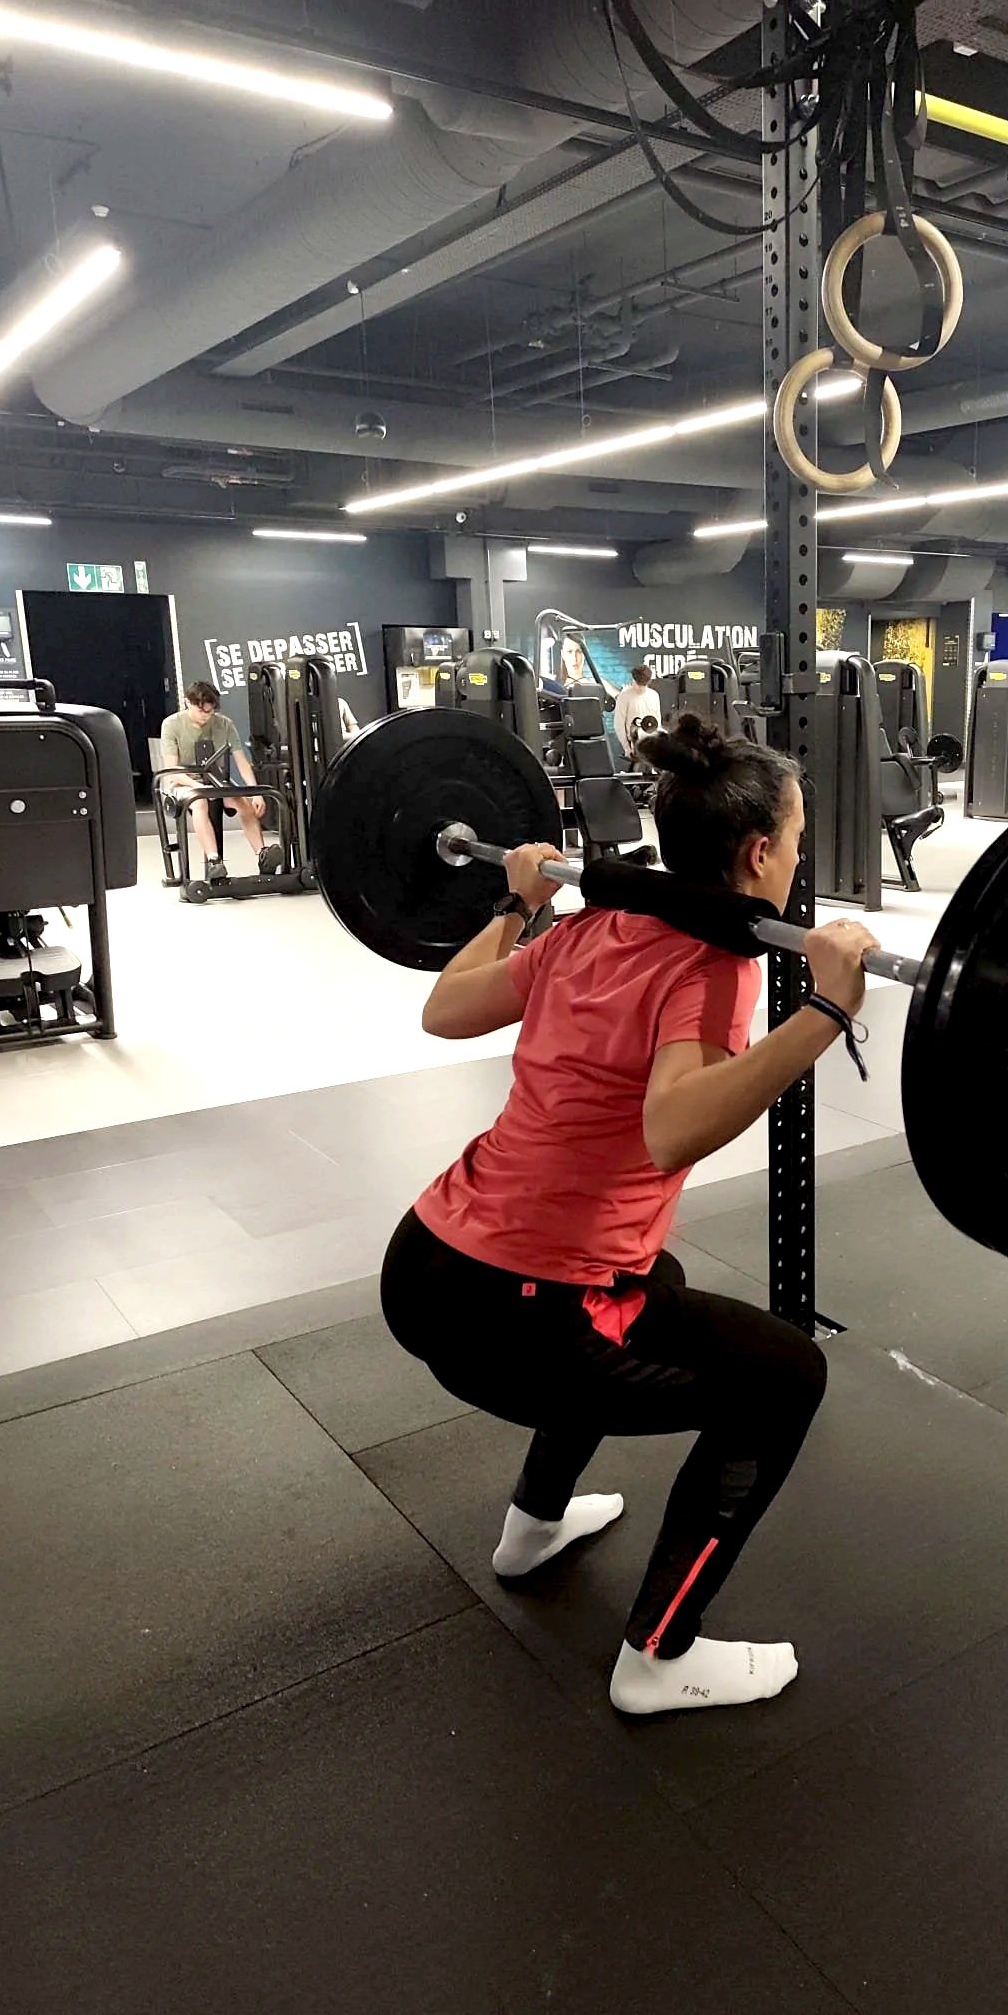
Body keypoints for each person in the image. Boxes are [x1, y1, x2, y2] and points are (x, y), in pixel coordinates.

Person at [379, 715, 877, 1717]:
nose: (798, 852)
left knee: (654, 1285)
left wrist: (514, 906)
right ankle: (659, 1655)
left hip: (425, 1261)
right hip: (518, 1317)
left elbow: (446, 1007)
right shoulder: (713, 964)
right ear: (760, 852)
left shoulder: (586, 926)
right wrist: (822, 1012)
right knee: (786, 1378)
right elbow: (672, 1131)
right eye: (798, 833)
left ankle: (534, 1526)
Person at [160, 680, 280, 880]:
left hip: (214, 779)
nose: (206, 716)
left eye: (210, 711)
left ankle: (262, 855)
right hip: (183, 781)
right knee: (200, 803)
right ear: (187, 703)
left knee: (244, 804)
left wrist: (255, 791)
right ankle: (214, 860)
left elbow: (241, 761)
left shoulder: (224, 724)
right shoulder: (171, 725)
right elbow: (172, 771)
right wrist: (199, 787)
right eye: (202, 711)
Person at [614, 662, 664, 759]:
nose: (640, 688)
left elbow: (657, 722)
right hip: (633, 743)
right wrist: (627, 748)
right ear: (633, 680)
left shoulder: (654, 695)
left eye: (643, 685)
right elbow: (619, 724)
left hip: (651, 742)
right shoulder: (624, 696)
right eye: (638, 684)